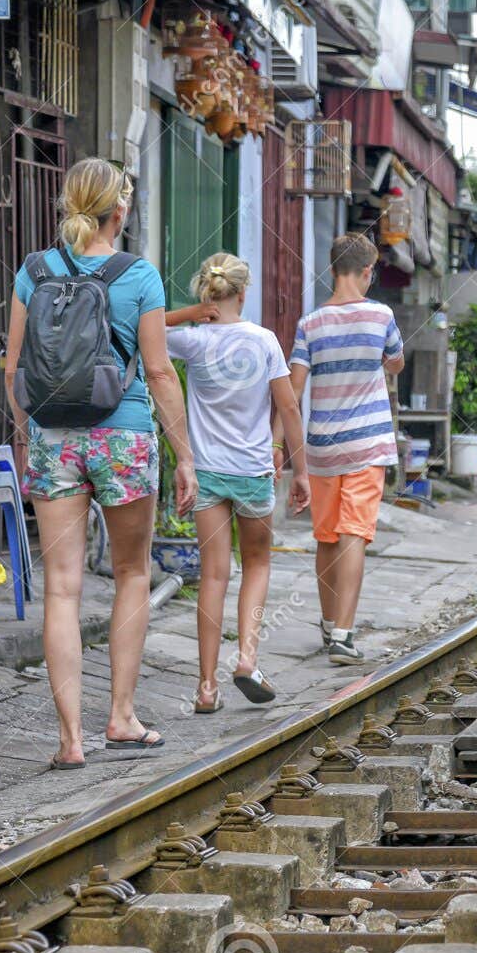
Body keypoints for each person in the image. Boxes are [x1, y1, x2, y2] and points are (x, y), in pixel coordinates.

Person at [4, 156, 196, 769]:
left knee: (61, 588)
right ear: (121, 209)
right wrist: (185, 456)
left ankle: (70, 741)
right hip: (124, 435)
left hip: (54, 438)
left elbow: (12, 367)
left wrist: (30, 434)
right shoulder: (139, 275)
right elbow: (159, 371)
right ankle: (121, 716)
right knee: (132, 573)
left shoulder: (33, 271)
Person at [166, 253, 310, 713]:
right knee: (258, 565)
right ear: (243, 293)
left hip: (207, 472)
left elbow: (138, 327)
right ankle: (247, 659)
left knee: (214, 575)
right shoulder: (264, 340)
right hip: (253, 472)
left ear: (207, 291)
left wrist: (188, 315)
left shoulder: (191, 341)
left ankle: (206, 688)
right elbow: (288, 407)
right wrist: (300, 470)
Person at [289, 233, 405, 665]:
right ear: (367, 272)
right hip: (367, 444)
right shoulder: (381, 315)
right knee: (355, 533)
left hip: (322, 447)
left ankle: (326, 624)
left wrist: (284, 449)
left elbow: (293, 390)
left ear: (332, 268)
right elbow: (396, 363)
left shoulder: (310, 323)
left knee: (326, 536)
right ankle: (343, 635)